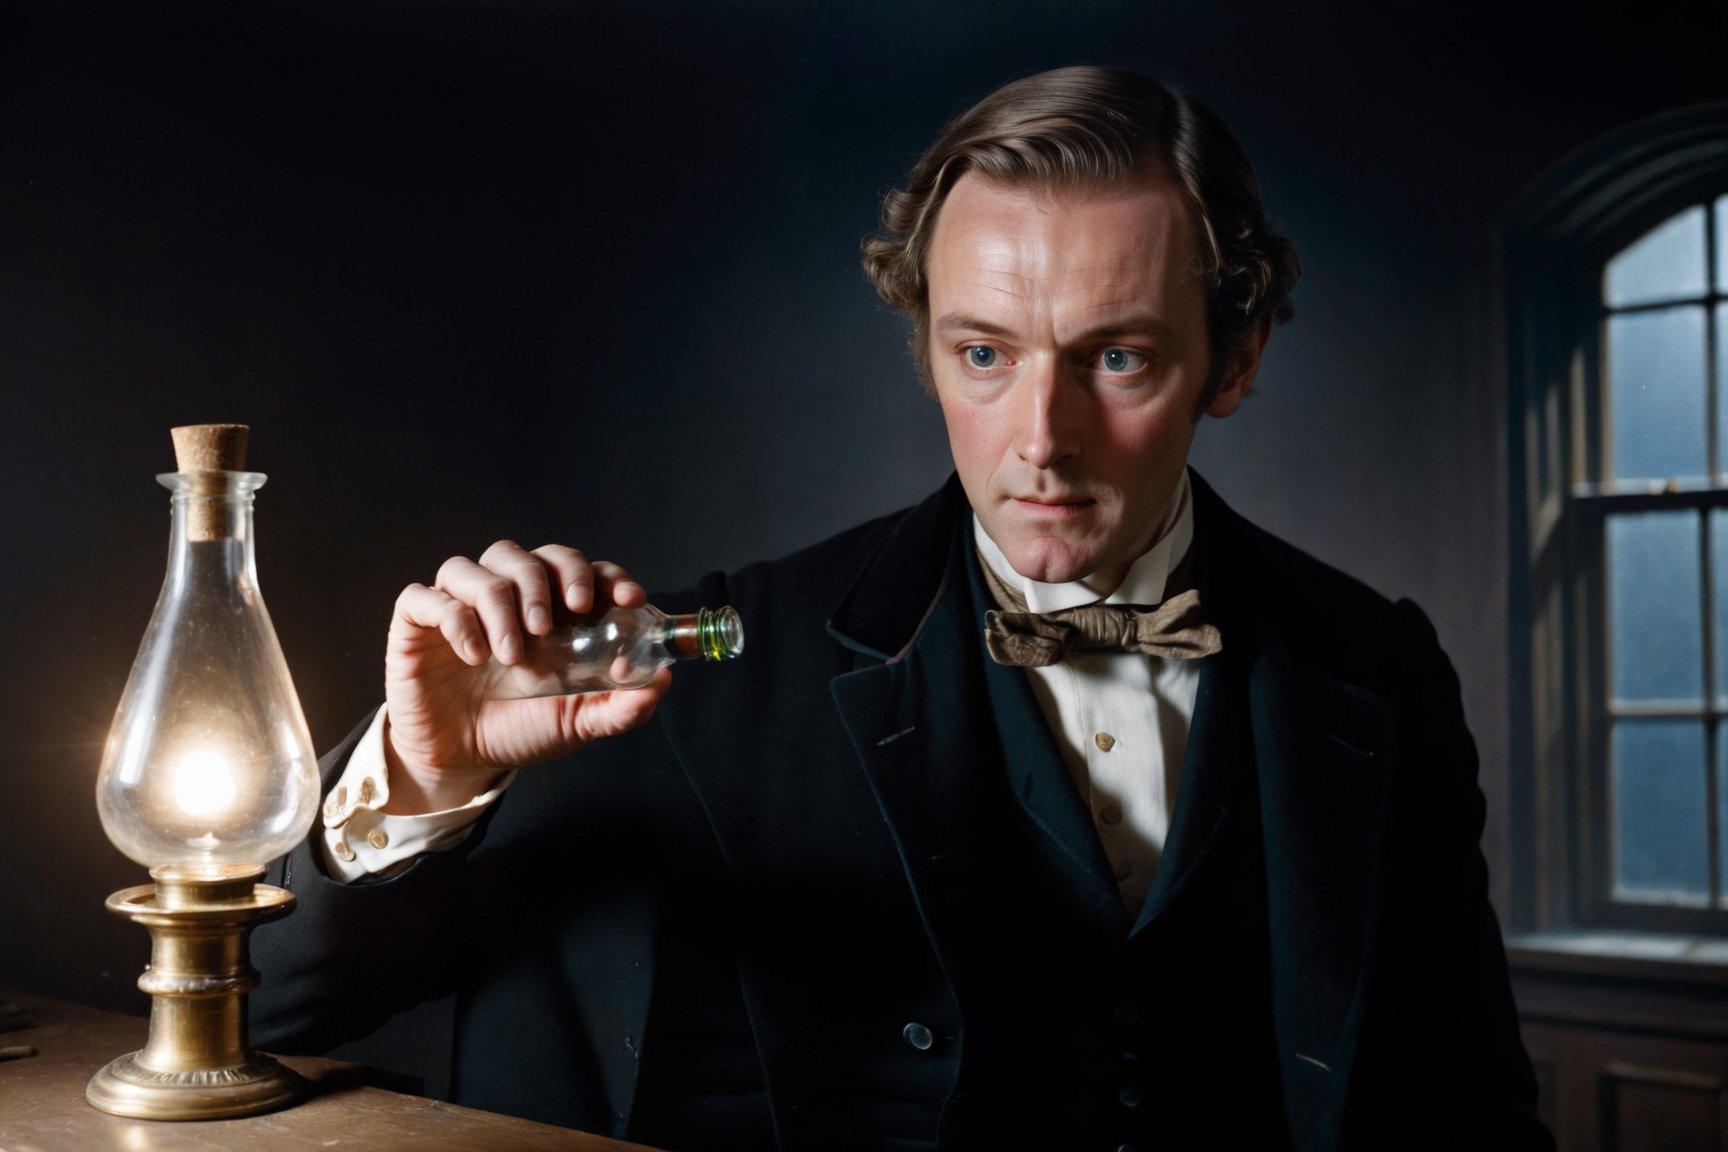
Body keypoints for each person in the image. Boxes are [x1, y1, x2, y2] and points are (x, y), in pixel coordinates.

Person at [250, 65, 1554, 1151]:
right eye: (984, 353)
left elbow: (1476, 1108)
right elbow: (258, 1012)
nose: (1040, 439)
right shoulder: (703, 671)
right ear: (925, 340)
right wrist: (420, 782)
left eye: (1118, 356)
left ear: (1239, 355)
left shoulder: (1377, 668)